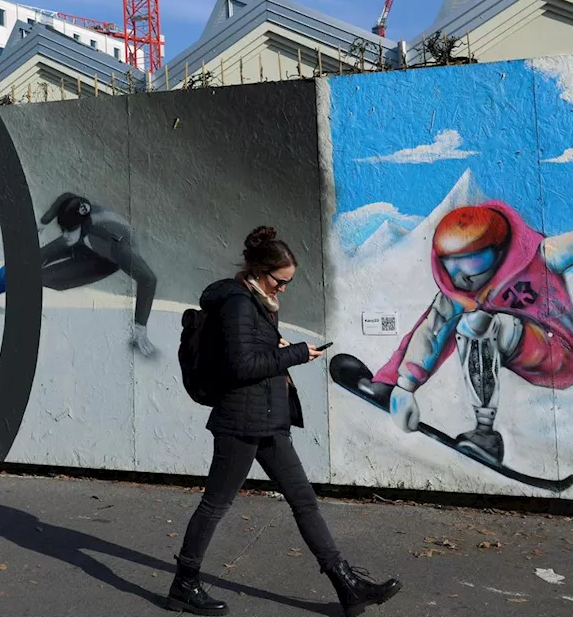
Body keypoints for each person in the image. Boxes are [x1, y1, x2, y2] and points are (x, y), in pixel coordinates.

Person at [359, 202, 573, 466]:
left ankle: (485, 435)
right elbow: (431, 332)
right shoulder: (459, 291)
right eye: (452, 264)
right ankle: (394, 383)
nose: (463, 275)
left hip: (558, 356)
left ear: (497, 251)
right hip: (510, 351)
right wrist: (402, 384)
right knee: (454, 318)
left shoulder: (543, 255)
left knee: (477, 322)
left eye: (473, 262)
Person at [168, 226, 401, 617]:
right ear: (260, 270)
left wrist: (275, 347)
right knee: (215, 505)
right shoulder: (239, 303)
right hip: (241, 422)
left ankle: (347, 585)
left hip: (268, 419)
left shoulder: (257, 303)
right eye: (280, 281)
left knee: (304, 502)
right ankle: (184, 584)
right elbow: (241, 365)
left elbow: (250, 351)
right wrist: (294, 353)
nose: (283, 289)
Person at [0, 191, 158, 356]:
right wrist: (44, 221)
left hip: (104, 259)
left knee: (44, 277)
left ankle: (16, 297)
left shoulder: (117, 247)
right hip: (86, 240)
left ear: (82, 226)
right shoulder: (77, 215)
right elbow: (66, 197)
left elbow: (148, 280)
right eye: (63, 229)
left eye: (69, 230)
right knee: (32, 260)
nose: (65, 235)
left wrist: (140, 327)